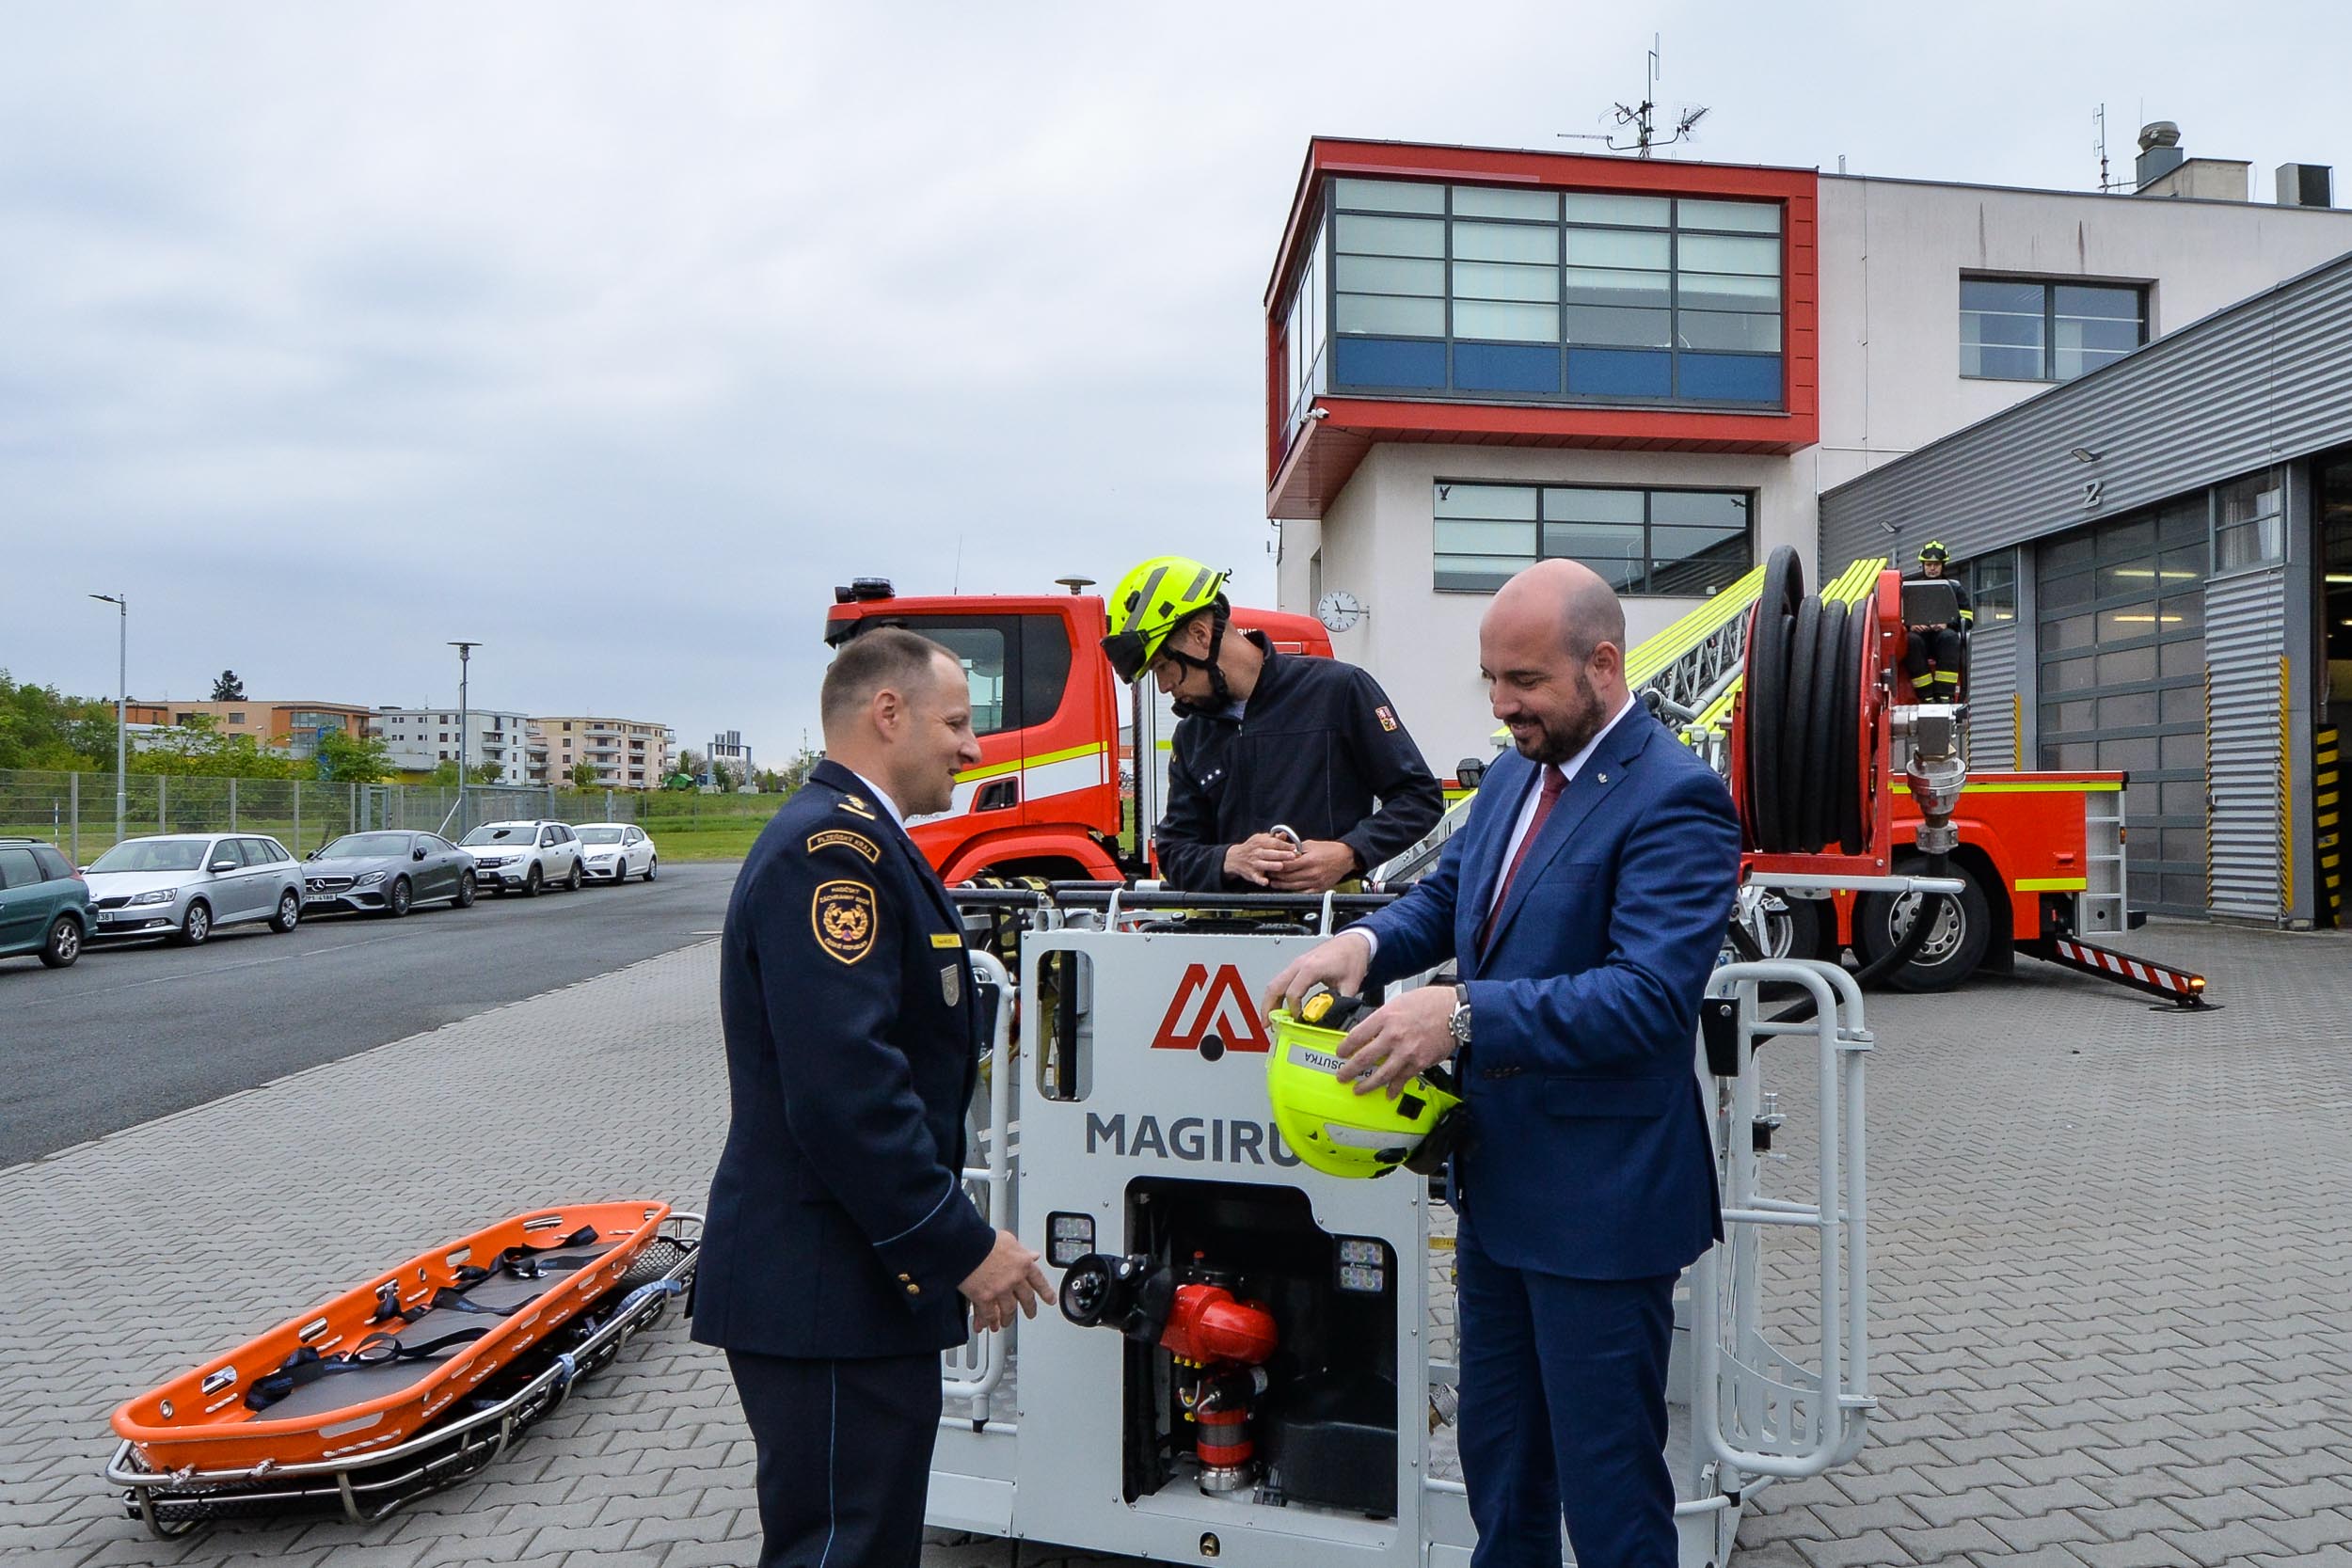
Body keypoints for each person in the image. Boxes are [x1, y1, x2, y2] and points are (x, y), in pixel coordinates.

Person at [1264, 559, 1741, 1568]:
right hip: (1500, 1192)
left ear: (1602, 665)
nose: (1501, 704)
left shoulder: (1677, 798)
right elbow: (1453, 897)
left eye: (1524, 680)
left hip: (1602, 1207)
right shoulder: (1519, 770)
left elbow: (1649, 997)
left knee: (1609, 1492)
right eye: (1491, 678)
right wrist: (1363, 944)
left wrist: (1462, 1013)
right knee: (1500, 1464)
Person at [693, 626, 1053, 1568]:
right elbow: (846, 1092)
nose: (974, 748)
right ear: (888, 713)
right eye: (957, 723)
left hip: (855, 1285)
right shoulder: (831, 851)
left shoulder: (866, 841)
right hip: (826, 1290)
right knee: (841, 1550)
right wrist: (959, 1245)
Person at [1100, 553, 1444, 893]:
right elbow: (1174, 852)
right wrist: (1230, 859)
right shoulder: (1192, 735)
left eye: (1162, 666)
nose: (1163, 686)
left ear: (1201, 635)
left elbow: (1418, 798)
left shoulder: (1339, 690)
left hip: (1331, 921)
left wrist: (1349, 853)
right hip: (1224, 926)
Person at [1901, 539, 1973, 697]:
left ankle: (1945, 695)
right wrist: (1910, 625)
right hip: (1920, 640)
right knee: (1910, 640)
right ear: (1923, 566)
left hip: (1943, 639)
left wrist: (1948, 624)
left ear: (1943, 566)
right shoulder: (1911, 590)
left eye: (1936, 565)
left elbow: (1967, 619)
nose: (1932, 568)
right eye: (1928, 565)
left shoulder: (1954, 588)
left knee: (1950, 637)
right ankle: (1926, 695)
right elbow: (1901, 617)